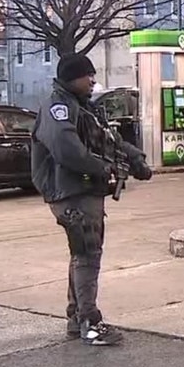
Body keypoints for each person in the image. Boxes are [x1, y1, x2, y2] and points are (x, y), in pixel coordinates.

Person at [31, 53, 153, 346]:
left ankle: (77, 318)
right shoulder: (58, 108)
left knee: (82, 253)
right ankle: (90, 322)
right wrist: (103, 169)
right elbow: (67, 150)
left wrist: (134, 159)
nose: (93, 80)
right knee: (87, 254)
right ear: (73, 76)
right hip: (71, 191)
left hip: (83, 190)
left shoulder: (81, 107)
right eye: (88, 75)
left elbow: (109, 139)